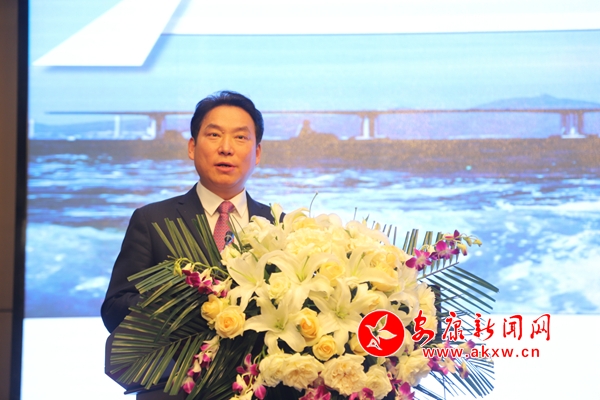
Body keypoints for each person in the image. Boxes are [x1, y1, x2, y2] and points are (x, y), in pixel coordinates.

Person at [101, 90, 274, 333]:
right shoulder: (153, 222)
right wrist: (188, 306)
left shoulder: (279, 226)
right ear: (192, 147)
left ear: (256, 153)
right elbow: (114, 311)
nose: (226, 148)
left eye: (240, 137)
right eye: (214, 135)